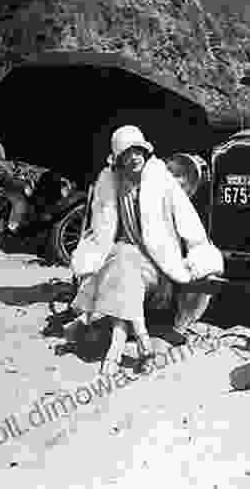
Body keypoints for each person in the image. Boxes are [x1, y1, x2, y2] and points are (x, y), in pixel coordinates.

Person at [70, 125, 223, 375]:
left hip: (158, 269)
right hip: (122, 267)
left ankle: (118, 344)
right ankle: (138, 343)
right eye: (127, 154)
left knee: (123, 258)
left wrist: (199, 255)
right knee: (122, 255)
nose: (134, 157)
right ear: (118, 160)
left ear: (145, 151)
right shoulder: (108, 187)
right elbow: (99, 234)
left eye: (137, 150)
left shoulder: (162, 181)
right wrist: (86, 261)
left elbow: (190, 223)